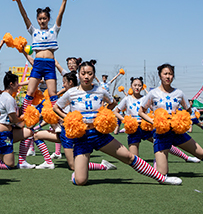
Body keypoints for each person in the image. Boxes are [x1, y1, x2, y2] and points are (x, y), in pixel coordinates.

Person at [53, 60, 182, 186]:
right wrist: (69, 118)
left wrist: (103, 114)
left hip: (99, 134)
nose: (86, 77)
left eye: (90, 73)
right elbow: (56, 108)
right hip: (81, 137)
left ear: (94, 75)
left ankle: (162, 178)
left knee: (129, 157)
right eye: (83, 73)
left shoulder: (100, 91)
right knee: (81, 181)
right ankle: (76, 175)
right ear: (79, 75)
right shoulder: (71, 93)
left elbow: (112, 103)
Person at [34, 71, 116, 172]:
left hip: (70, 134)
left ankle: (103, 166)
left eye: (64, 82)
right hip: (63, 132)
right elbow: (57, 110)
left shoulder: (76, 97)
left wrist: (64, 118)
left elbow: (71, 116)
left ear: (70, 82)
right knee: (37, 135)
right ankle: (48, 162)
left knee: (73, 166)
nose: (63, 85)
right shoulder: (66, 95)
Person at [115, 76, 199, 164]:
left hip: (147, 127)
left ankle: (186, 157)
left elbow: (155, 109)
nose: (137, 87)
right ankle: (152, 168)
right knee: (134, 159)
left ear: (142, 87)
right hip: (133, 129)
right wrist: (126, 120)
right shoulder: (127, 99)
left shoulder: (145, 98)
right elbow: (116, 112)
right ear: (131, 86)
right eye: (135, 85)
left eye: (139, 85)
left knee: (165, 143)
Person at [15, 0, 70, 114]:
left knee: (52, 94)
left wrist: (64, 0)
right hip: (38, 64)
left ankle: (57, 117)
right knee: (30, 92)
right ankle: (23, 116)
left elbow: (60, 15)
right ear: (37, 19)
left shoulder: (54, 31)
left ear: (48, 19)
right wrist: (18, 2)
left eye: (44, 18)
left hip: (50, 64)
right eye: (40, 19)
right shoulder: (33, 31)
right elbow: (24, 16)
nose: (42, 21)